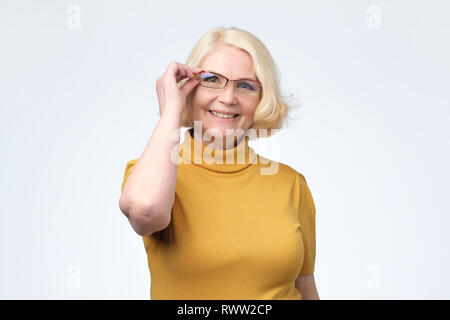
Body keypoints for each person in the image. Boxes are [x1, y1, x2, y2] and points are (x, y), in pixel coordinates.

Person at [119, 26, 319, 300]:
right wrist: (172, 112)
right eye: (212, 79)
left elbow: (306, 288)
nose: (228, 98)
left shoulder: (291, 184)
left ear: (261, 99)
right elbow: (145, 211)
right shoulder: (152, 174)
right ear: (188, 88)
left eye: (246, 85)